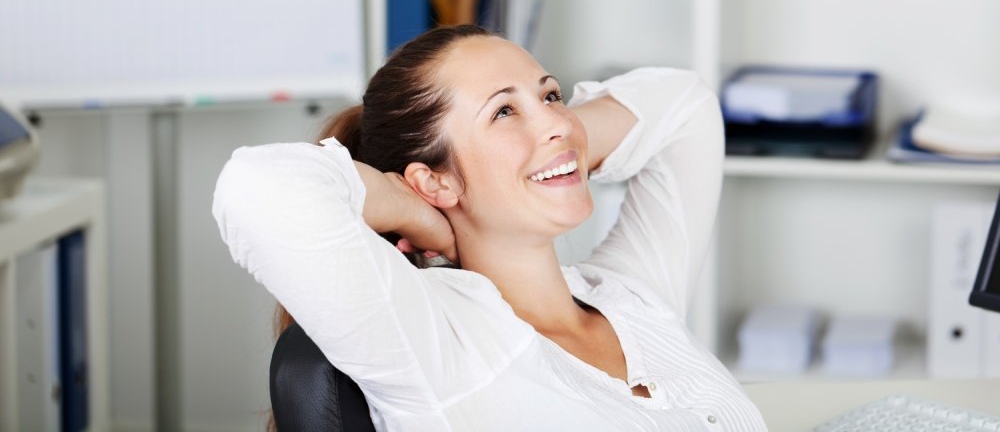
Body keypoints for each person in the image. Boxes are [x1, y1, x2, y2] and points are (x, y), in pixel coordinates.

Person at [212, 24, 766, 431]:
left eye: (550, 94)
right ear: (431, 181)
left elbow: (686, 106)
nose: (555, 116)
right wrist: (411, 207)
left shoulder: (632, 294)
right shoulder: (436, 342)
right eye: (503, 112)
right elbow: (257, 187)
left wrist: (560, 146)